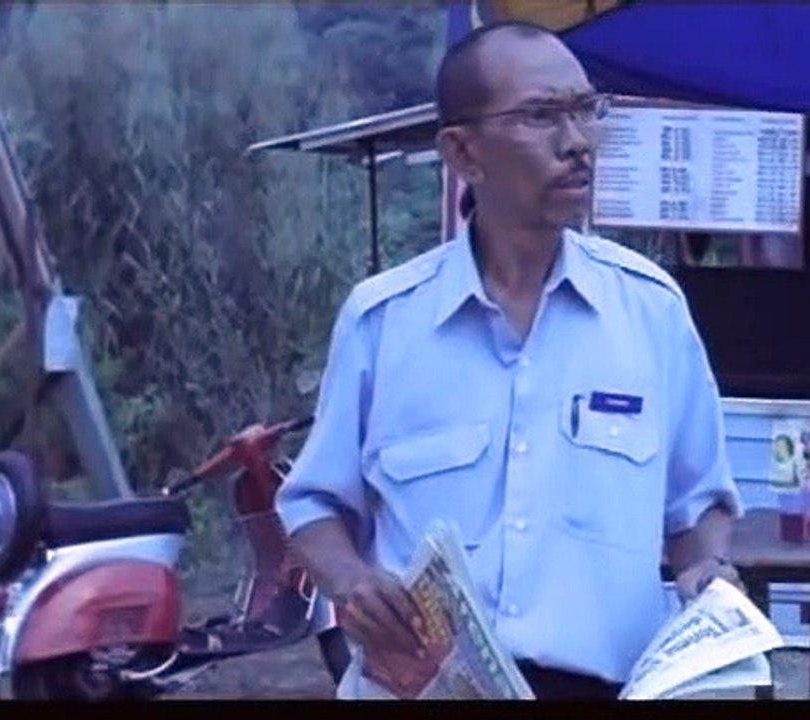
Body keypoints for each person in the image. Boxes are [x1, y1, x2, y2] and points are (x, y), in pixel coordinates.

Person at [275, 20, 743, 700]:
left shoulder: (652, 313)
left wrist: (707, 570)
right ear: (463, 153)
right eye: (541, 116)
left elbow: (697, 508)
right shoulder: (383, 321)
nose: (577, 141)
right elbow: (315, 503)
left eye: (586, 110)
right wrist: (351, 583)